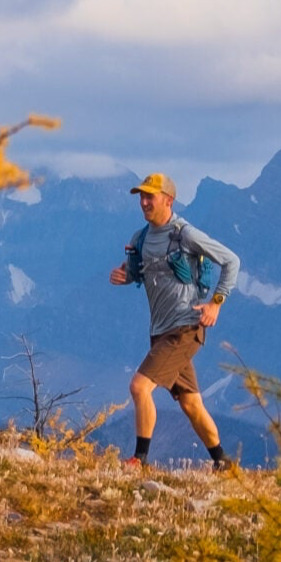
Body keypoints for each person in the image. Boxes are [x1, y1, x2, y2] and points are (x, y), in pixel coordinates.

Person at [107, 172, 241, 470]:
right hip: (160, 330)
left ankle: (139, 460)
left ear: (168, 200)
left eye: (149, 197)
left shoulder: (186, 234)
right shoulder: (139, 239)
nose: (143, 202)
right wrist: (124, 277)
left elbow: (232, 261)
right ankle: (223, 463)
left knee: (139, 387)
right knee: (191, 404)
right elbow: (137, 273)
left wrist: (216, 303)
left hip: (185, 328)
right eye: (141, 196)